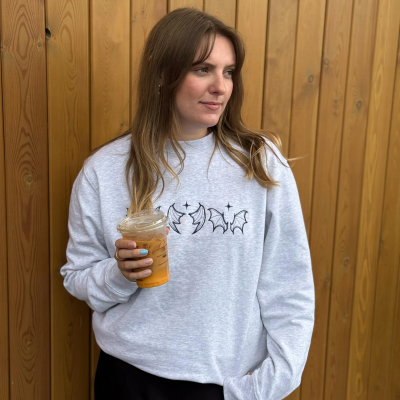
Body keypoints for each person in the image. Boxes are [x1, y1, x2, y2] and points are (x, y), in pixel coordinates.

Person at [61, 7, 315, 400]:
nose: (221, 87)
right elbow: (77, 275)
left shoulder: (260, 164)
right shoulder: (104, 171)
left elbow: (290, 287)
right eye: (203, 69)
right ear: (163, 73)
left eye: (229, 72)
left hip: (226, 385)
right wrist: (119, 274)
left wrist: (266, 387)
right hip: (129, 379)